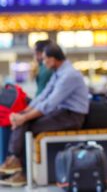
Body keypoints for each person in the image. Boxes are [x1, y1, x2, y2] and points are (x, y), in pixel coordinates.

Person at [0, 44, 89, 187]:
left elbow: (50, 104)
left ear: (53, 59)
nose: (43, 61)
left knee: (27, 125)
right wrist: (23, 113)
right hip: (60, 114)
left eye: (45, 59)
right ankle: (15, 162)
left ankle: (18, 165)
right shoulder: (58, 73)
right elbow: (42, 97)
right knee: (24, 121)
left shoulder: (69, 75)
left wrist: (24, 118)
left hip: (72, 117)